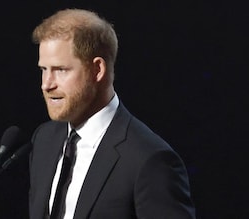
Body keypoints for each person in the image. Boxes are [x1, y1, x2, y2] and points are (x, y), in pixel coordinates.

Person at [28, 8, 196, 219]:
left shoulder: (149, 160)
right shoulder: (44, 140)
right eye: (43, 69)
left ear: (98, 70)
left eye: (61, 70)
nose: (46, 84)